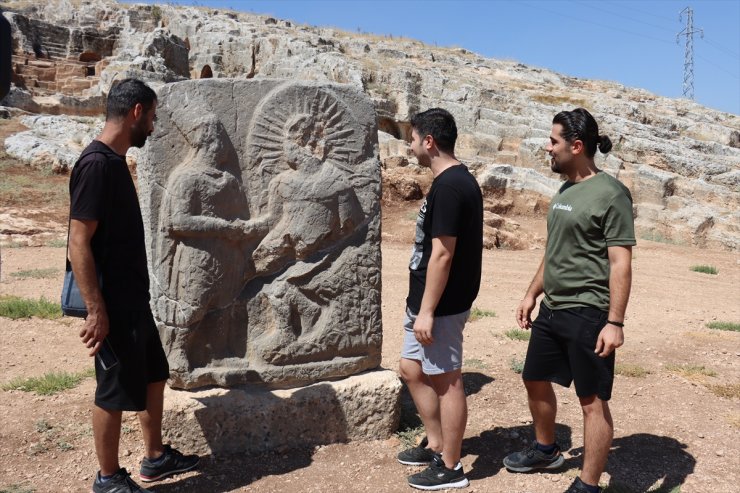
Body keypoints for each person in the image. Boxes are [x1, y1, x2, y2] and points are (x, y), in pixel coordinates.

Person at [68, 78, 199, 493]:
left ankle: (155, 457)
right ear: (137, 112)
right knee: (112, 389)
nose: (154, 128)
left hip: (133, 299)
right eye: (153, 118)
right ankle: (106, 478)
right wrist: (96, 308)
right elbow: (78, 242)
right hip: (112, 304)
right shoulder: (95, 165)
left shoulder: (115, 161)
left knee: (153, 375)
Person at [503, 108, 635, 493]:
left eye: (554, 141)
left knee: (591, 401)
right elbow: (554, 250)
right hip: (553, 308)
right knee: (534, 379)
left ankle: (588, 485)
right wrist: (531, 293)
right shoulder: (565, 191)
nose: (547, 148)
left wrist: (615, 322)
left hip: (589, 313)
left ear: (576, 146)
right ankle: (547, 451)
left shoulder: (612, 194)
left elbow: (620, 263)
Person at [396, 108, 483, 490]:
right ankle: (436, 443)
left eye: (413, 138)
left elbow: (443, 254)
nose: (409, 145)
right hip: (425, 301)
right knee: (411, 369)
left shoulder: (451, 187)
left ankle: (451, 467)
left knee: (447, 380)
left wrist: (428, 310)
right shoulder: (449, 182)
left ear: (429, 142)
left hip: (441, 305)